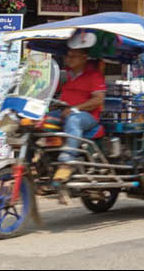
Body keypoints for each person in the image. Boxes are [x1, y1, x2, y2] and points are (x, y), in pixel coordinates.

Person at [52, 31, 107, 194]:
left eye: (73, 56)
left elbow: (98, 100)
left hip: (87, 117)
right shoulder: (65, 75)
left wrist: (75, 109)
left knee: (73, 119)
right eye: (68, 56)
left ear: (84, 58)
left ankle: (67, 161)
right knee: (38, 120)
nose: (68, 59)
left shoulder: (94, 76)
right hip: (63, 112)